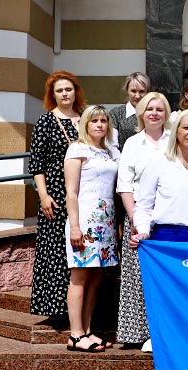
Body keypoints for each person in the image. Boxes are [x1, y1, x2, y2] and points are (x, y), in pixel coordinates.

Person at [116, 92, 172, 351]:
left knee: (166, 277)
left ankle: (167, 331)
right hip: (139, 216)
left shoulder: (173, 141)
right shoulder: (133, 143)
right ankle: (140, 332)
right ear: (141, 113)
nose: (154, 113)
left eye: (159, 109)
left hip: (169, 218)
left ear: (166, 113)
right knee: (139, 277)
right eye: (150, 109)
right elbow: (125, 185)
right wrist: (135, 219)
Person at [28, 71, 86, 317]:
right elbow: (36, 164)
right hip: (56, 194)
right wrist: (44, 195)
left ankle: (79, 308)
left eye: (68, 89)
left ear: (76, 91)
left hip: (84, 193)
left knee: (81, 249)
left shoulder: (85, 118)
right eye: (59, 90)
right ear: (53, 95)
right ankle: (56, 307)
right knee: (57, 250)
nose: (64, 94)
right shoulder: (46, 121)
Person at [63, 105, 120, 352]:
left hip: (105, 222)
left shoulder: (109, 151)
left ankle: (87, 330)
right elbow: (71, 192)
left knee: (95, 277)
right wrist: (75, 226)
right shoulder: (77, 149)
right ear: (85, 124)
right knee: (80, 276)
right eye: (94, 120)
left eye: (103, 121)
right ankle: (75, 334)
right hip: (85, 220)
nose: (99, 125)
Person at [132, 108, 188, 246]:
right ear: (176, 130)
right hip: (168, 240)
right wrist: (143, 232)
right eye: (186, 128)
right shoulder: (158, 162)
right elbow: (144, 207)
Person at [108, 72, 150, 150]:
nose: (137, 96)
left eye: (141, 91)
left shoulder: (153, 113)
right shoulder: (116, 114)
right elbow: (112, 145)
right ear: (127, 90)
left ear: (147, 92)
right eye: (133, 91)